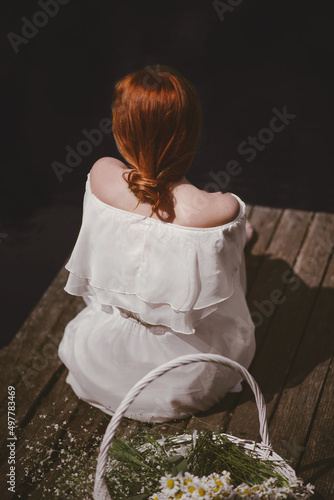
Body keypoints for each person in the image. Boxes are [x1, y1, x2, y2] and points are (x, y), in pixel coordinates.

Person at [58, 65, 256, 423]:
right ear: (192, 133)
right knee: (235, 247)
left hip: (99, 362)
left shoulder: (103, 174)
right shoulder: (221, 208)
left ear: (121, 133)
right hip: (184, 379)